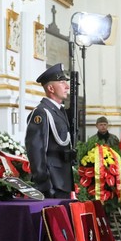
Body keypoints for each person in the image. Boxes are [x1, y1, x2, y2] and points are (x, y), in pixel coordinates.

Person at [25, 63, 74, 198]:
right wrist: (44, 184)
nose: (67, 86)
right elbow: (36, 151)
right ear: (51, 88)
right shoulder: (41, 113)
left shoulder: (59, 111)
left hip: (63, 181)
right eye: (62, 82)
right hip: (52, 183)